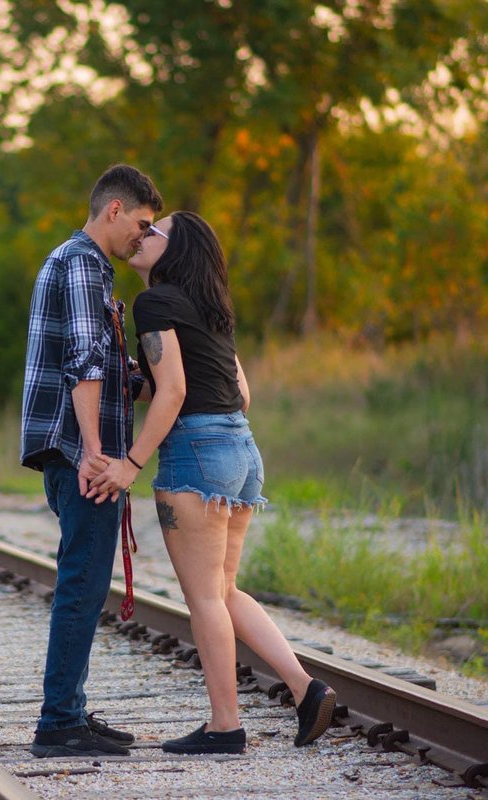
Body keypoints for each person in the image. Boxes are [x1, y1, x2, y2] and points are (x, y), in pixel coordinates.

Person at [87, 211, 337, 754]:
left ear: (176, 251)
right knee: (223, 591)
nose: (144, 235)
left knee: (204, 599)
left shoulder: (155, 303)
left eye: (156, 232)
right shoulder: (213, 307)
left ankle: (225, 726)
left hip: (196, 453)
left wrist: (131, 462)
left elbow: (174, 392)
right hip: (242, 449)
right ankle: (305, 687)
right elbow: (240, 392)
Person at [20, 164, 163, 758]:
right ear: (114, 210)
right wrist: (95, 453)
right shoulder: (82, 264)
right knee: (82, 583)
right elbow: (82, 362)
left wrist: (141, 376)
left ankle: (71, 711)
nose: (145, 237)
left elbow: (98, 364)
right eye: (143, 223)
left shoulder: (85, 267)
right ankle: (59, 723)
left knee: (85, 580)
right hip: (85, 455)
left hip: (74, 449)